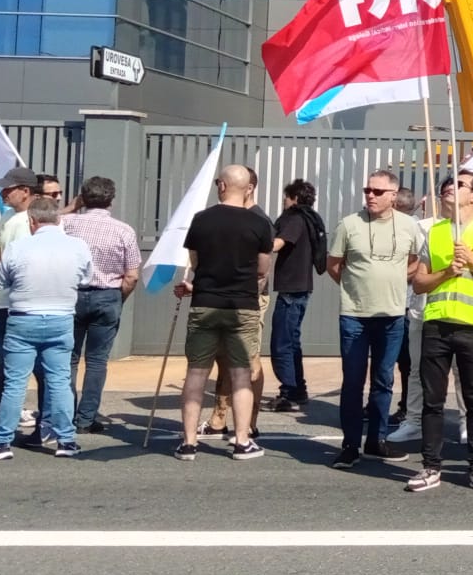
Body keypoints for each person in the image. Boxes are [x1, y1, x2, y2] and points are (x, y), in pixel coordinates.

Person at [404, 171, 473, 493]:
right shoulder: (435, 231)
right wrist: (447, 271)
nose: (450, 188)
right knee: (432, 400)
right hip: (436, 324)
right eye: (448, 185)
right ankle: (430, 466)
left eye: (460, 185)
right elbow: (419, 282)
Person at [173, 164, 272, 463]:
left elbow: (195, 262)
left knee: (196, 372)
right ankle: (242, 441)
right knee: (241, 373)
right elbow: (262, 268)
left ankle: (189, 443)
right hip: (242, 306)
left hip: (205, 302)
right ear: (248, 188)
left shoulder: (201, 220)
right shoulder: (260, 223)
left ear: (223, 186)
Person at [0, 198, 90, 460]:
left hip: (23, 318)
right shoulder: (78, 246)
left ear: (32, 221)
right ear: (59, 219)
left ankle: (1, 442)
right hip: (61, 318)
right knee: (59, 381)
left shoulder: (17, 247)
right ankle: (66, 440)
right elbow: (85, 278)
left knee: (14, 383)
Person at [326, 171, 420, 469]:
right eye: (368, 190)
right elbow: (333, 264)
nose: (371, 195)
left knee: (383, 379)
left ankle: (376, 441)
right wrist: (355, 287)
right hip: (354, 315)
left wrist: (395, 279)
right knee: (353, 381)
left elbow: (416, 261)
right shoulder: (349, 224)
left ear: (393, 195)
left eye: (378, 191)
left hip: (392, 315)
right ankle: (350, 445)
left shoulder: (409, 226)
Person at [62, 176, 141, 437]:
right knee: (97, 361)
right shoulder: (123, 230)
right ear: (111, 200)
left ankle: (65, 414)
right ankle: (86, 419)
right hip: (107, 294)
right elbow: (132, 275)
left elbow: (43, 225)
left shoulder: (66, 223)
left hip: (72, 294)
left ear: (83, 198)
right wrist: (119, 297)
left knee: (69, 358)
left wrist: (70, 207)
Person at [0, 166, 40, 431]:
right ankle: (2, 420)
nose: (3, 194)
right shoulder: (8, 217)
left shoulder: (33, 221)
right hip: (6, 303)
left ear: (25, 191)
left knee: (28, 367)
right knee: (4, 365)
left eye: (8, 189)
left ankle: (29, 424)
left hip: (24, 305)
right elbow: (0, 255)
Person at [268, 179, 327, 412]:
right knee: (292, 341)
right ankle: (298, 389)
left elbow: (276, 244)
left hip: (291, 291)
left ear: (294, 198)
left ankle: (288, 393)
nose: (284, 200)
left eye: (286, 196)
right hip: (300, 288)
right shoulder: (309, 218)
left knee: (282, 343)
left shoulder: (295, 219)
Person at [386, 188, 427, 444]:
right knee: (395, 360)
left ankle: (407, 409)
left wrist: (391, 276)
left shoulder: (414, 229)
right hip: (393, 303)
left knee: (407, 362)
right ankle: (398, 406)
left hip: (405, 304)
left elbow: (417, 264)